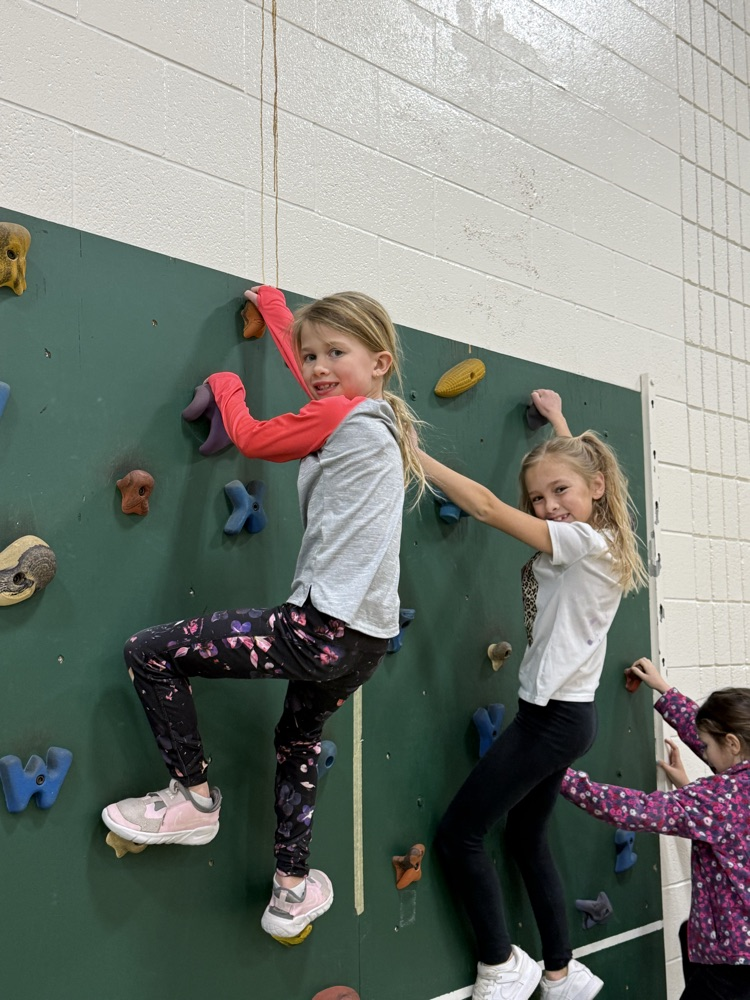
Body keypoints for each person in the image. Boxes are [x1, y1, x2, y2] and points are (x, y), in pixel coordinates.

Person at [102, 285, 425, 943]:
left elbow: (248, 434)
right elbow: (316, 379)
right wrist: (280, 315)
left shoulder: (341, 418)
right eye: (309, 356)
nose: (316, 367)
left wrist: (226, 382)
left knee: (150, 652)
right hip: (364, 644)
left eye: (335, 353)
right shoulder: (378, 421)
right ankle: (291, 891)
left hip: (318, 630)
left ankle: (192, 797)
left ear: (381, 362)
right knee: (298, 744)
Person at [416, 389, 647, 1000]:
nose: (547, 507)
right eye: (538, 499)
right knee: (523, 837)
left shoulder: (585, 542)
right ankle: (561, 973)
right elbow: (572, 472)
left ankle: (500, 964)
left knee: (458, 836)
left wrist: (418, 457)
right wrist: (558, 423)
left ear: (596, 487)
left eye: (559, 493)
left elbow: (490, 509)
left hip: (553, 722)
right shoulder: (591, 532)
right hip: (559, 716)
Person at [562, 656, 750, 1000]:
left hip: (732, 966)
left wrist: (560, 774)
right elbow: (720, 748)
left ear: (733, 744)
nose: (704, 753)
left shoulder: (718, 800)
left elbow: (634, 809)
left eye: (706, 747)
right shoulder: (729, 791)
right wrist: (664, 691)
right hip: (733, 953)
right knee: (686, 933)